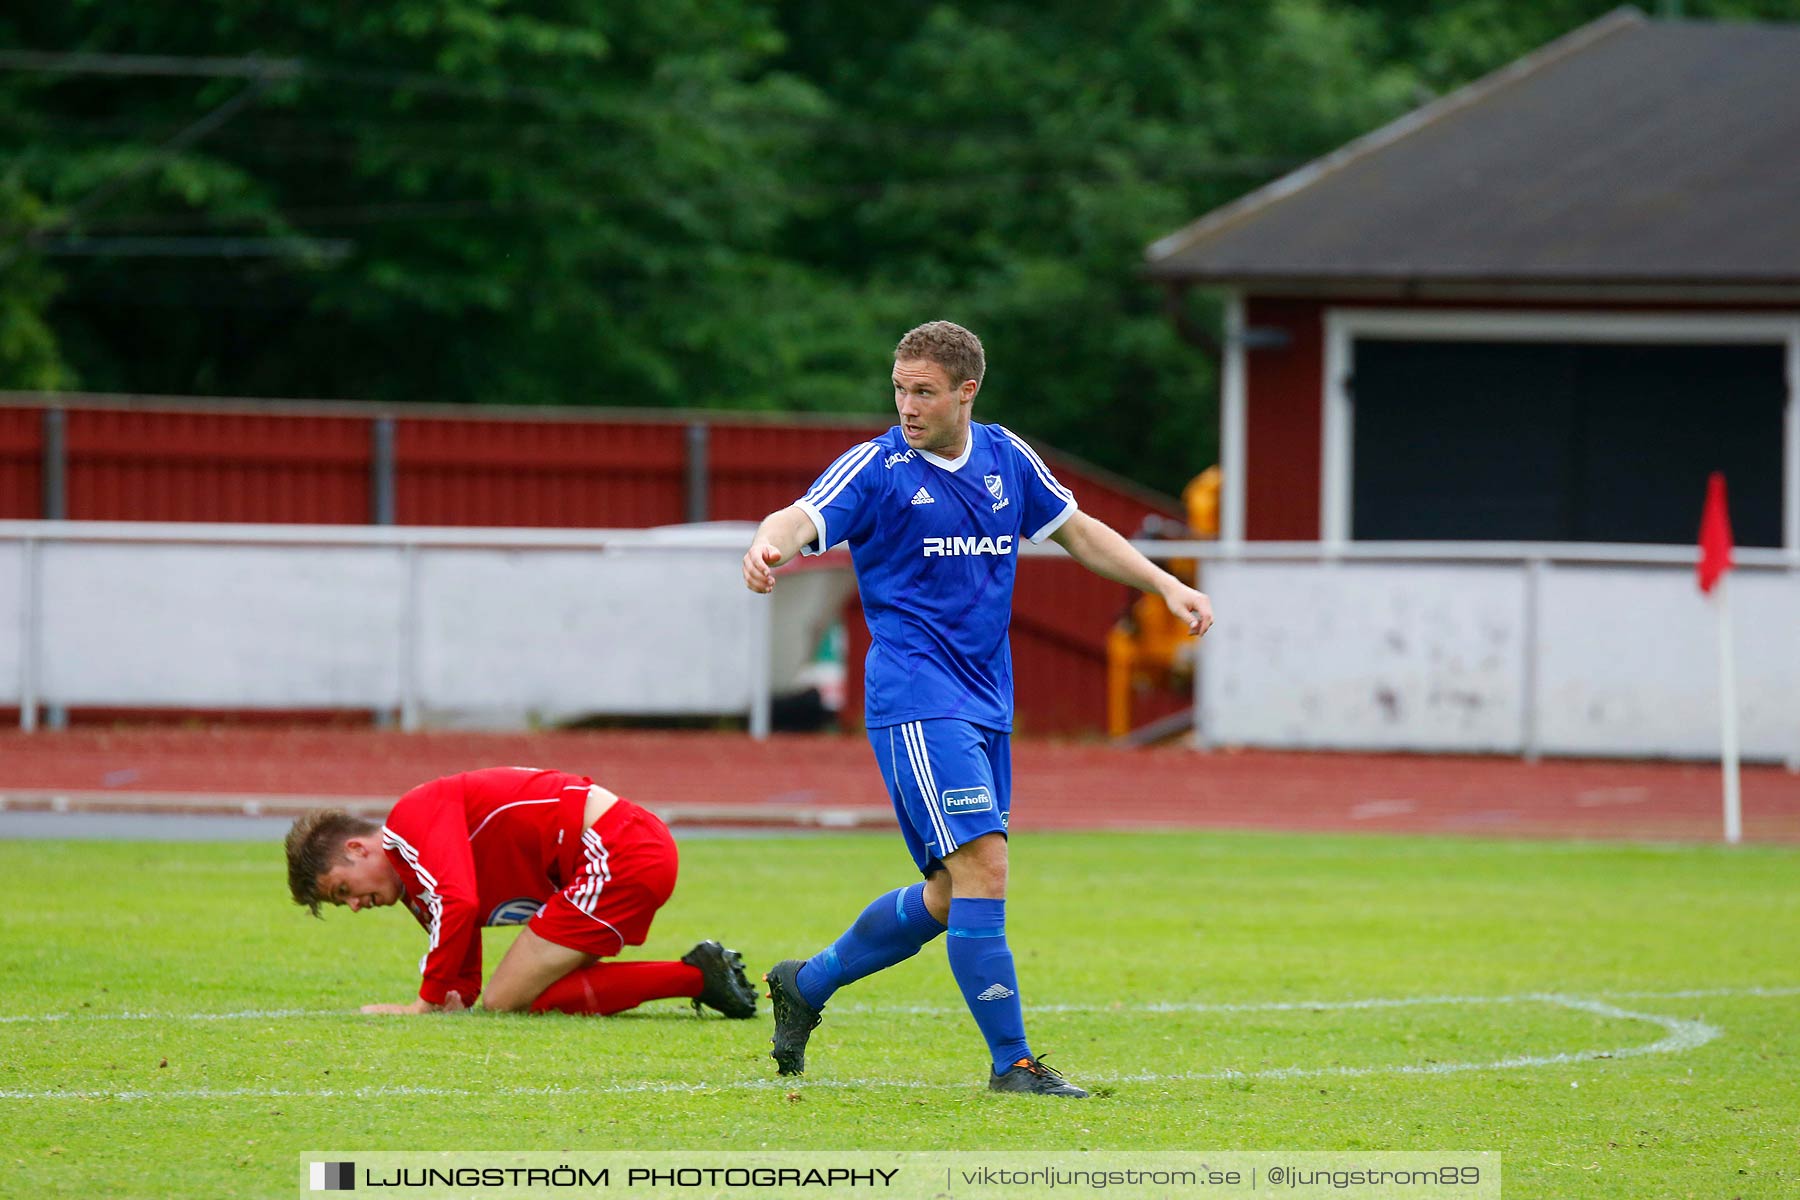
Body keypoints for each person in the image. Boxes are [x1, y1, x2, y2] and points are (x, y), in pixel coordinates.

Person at [742, 320, 1213, 1097]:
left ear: (968, 391)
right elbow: (799, 516)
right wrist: (769, 547)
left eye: (923, 391)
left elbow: (1081, 532)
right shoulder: (878, 467)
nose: (907, 405)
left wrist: (1165, 584)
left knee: (949, 891)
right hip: (918, 700)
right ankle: (1012, 1065)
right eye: (898, 388)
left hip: (986, 699)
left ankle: (808, 982)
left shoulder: (1004, 456)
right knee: (986, 868)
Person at [284, 766, 758, 1020]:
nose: (352, 905)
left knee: (505, 999)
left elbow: (460, 902)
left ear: (358, 848)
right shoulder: (416, 880)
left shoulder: (410, 820)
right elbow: (457, 922)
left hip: (617, 849)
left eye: (342, 889)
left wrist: (425, 1002)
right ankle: (700, 976)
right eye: (340, 903)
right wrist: (456, 994)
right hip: (620, 851)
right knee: (530, 995)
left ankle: (697, 976)